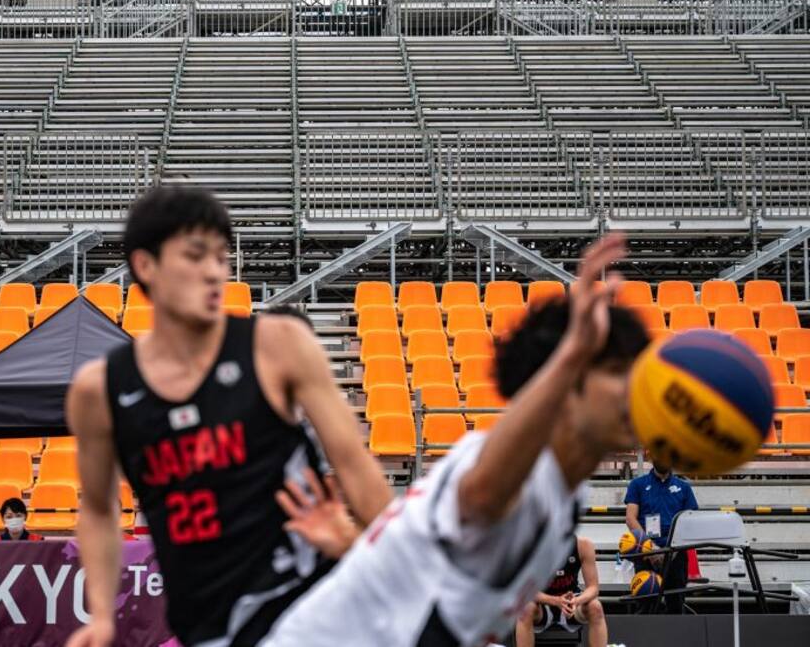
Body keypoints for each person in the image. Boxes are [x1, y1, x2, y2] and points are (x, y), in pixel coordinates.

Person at [265, 234, 650, 647]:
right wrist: (573, 353)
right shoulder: (514, 475)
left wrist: (356, 548)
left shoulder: (567, 494)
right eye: (616, 372)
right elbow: (484, 496)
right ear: (568, 383)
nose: (635, 388)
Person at [65, 186, 393, 647]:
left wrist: (401, 573)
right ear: (145, 266)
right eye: (196, 257)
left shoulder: (277, 345)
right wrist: (101, 617)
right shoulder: (98, 390)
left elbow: (357, 468)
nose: (216, 271)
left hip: (307, 604)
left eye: (222, 257)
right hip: (207, 625)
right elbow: (98, 509)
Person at [625, 451, 698, 613]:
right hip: (645, 555)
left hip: (676, 555)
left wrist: (670, 551)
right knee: (645, 604)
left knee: (676, 605)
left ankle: (678, 637)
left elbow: (690, 522)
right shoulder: (637, 485)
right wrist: (650, 548)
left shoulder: (684, 488)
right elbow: (631, 518)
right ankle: (644, 637)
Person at [515, 536, 607, 647]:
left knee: (595, 607)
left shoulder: (583, 545)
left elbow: (593, 588)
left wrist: (576, 600)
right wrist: (555, 601)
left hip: (571, 603)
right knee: (525, 609)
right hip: (542, 604)